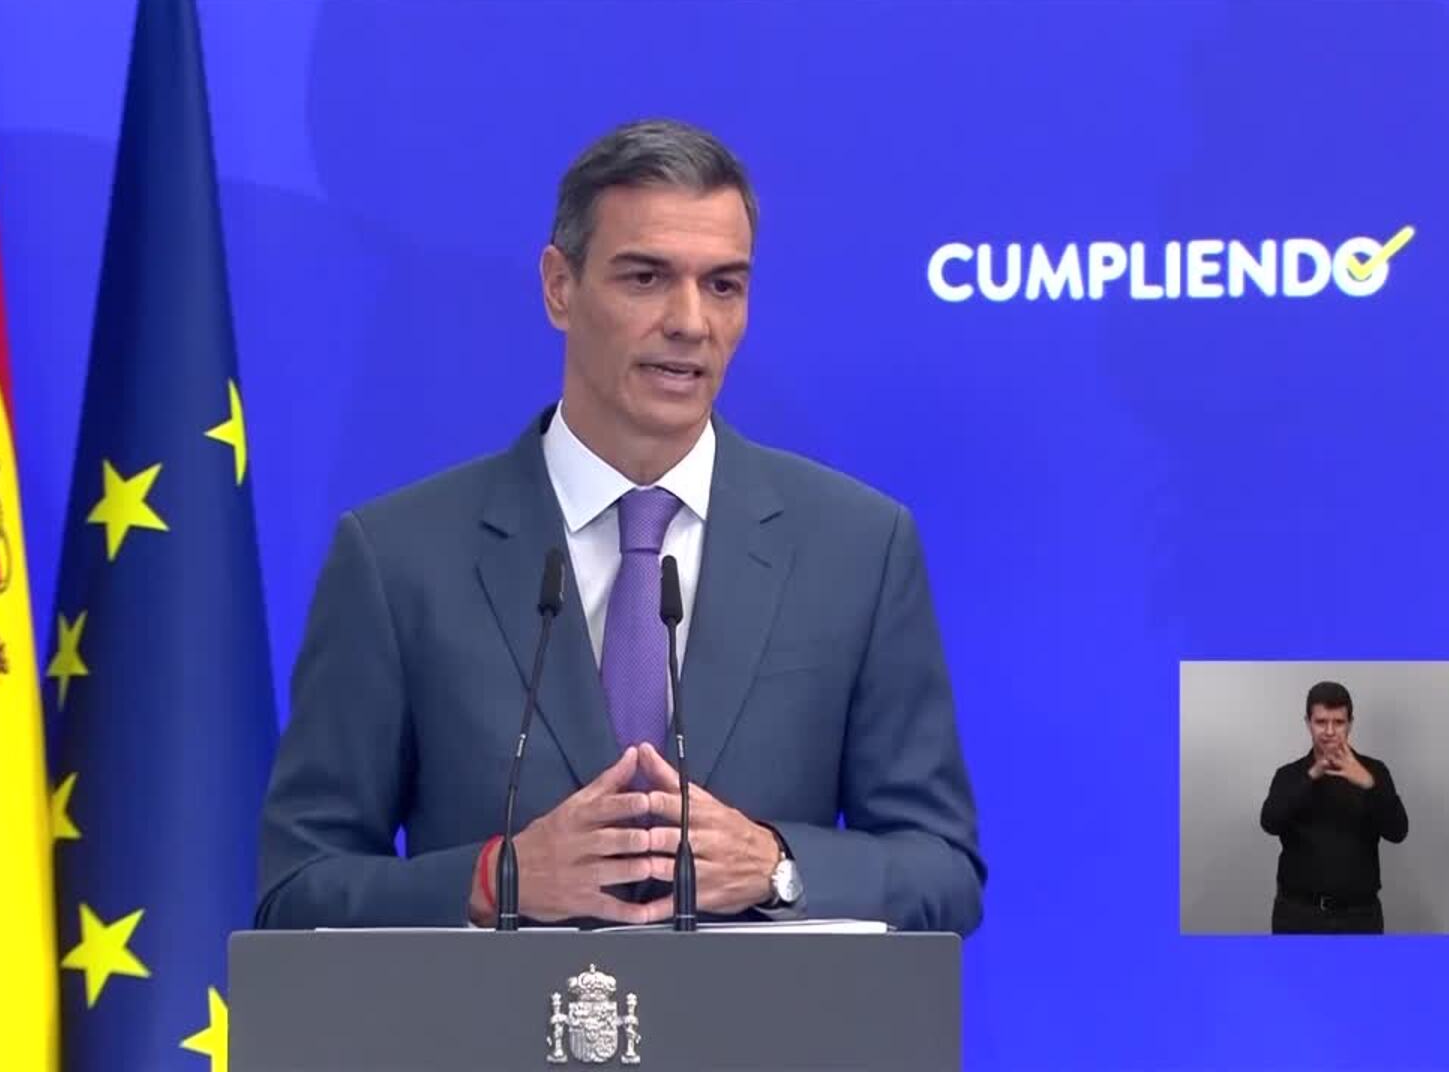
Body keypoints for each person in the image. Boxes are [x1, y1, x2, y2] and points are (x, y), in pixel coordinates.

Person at [255, 119, 984, 932]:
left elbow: (942, 872)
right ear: (559, 288)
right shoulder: (398, 558)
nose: (690, 322)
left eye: (723, 286)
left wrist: (777, 868)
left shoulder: (857, 548)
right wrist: (495, 880)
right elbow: (298, 888)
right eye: (645, 278)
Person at [1259, 681, 1409, 934]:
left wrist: (1369, 784)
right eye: (1321, 722)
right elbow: (1270, 823)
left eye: (1338, 722)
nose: (1329, 731)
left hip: (1360, 916)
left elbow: (1398, 832)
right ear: (1308, 723)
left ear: (1350, 723)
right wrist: (1313, 774)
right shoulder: (1288, 775)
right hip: (1297, 915)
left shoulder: (1375, 771)